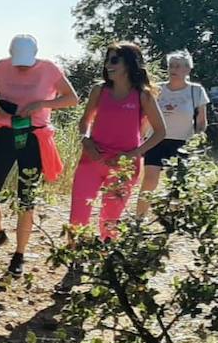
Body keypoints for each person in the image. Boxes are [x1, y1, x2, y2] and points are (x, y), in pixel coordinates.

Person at [0, 34, 80, 276]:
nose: (22, 66)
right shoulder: (1, 66)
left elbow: (72, 99)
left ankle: (19, 254)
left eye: (26, 61)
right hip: (4, 134)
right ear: (11, 54)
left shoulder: (49, 69)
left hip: (34, 137)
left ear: (35, 55)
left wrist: (42, 104)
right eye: (18, 60)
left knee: (26, 197)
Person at [71, 41, 166, 239]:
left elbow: (160, 132)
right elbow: (84, 122)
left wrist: (133, 155)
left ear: (130, 64)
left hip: (125, 166)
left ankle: (107, 262)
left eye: (114, 60)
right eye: (107, 60)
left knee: (110, 220)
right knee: (78, 213)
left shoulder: (143, 96)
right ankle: (74, 260)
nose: (108, 65)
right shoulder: (99, 90)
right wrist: (85, 140)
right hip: (92, 159)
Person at [137, 49, 209, 216]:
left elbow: (201, 121)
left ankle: (173, 221)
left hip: (183, 143)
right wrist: (140, 139)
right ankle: (139, 221)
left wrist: (196, 141)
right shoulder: (157, 89)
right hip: (156, 140)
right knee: (149, 180)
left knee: (177, 184)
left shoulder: (196, 91)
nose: (173, 69)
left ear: (187, 69)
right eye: (171, 66)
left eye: (178, 66)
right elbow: (147, 117)